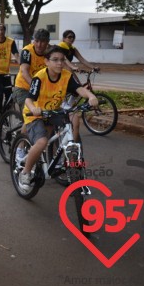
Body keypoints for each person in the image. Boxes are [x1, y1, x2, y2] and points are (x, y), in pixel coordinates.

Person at [17, 46, 98, 188]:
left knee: (74, 118)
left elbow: (79, 89)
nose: (59, 63)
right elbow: (29, 100)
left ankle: (66, 155)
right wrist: (34, 109)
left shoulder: (66, 76)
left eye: (62, 60)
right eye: (55, 60)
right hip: (36, 114)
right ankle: (25, 172)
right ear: (46, 62)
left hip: (54, 111)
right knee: (42, 142)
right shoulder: (39, 77)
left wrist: (91, 96)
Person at [13, 29, 50, 114]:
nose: (39, 45)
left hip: (43, 89)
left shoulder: (50, 52)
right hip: (24, 88)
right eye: (36, 41)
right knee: (30, 115)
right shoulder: (27, 51)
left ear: (47, 42)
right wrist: (36, 88)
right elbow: (24, 72)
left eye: (42, 42)